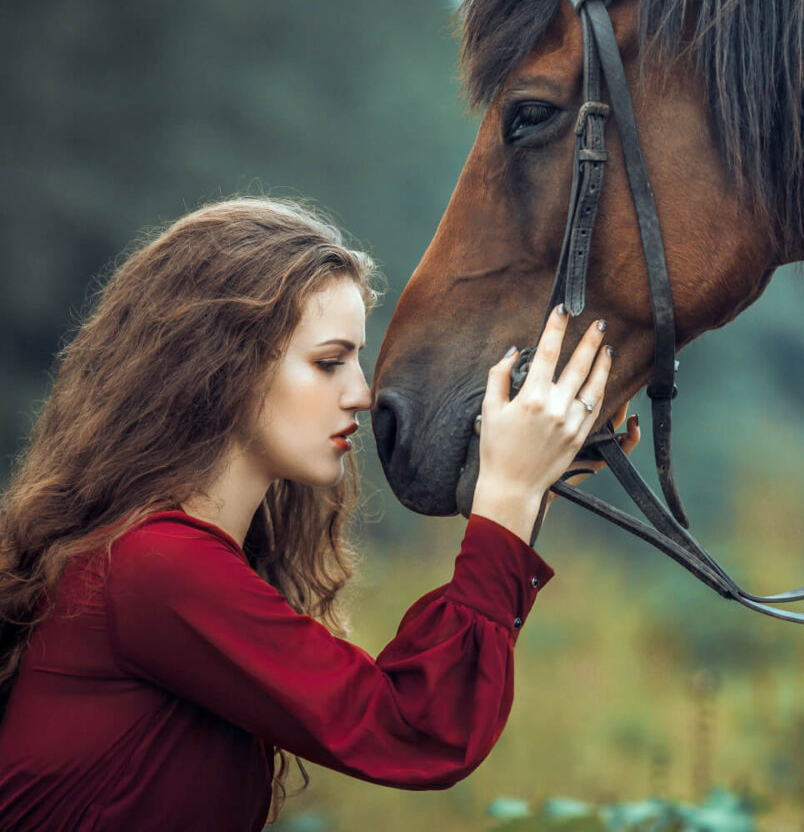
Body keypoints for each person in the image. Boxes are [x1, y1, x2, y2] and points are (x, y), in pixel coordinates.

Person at [0, 196, 638, 831]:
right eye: (329, 362)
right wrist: (505, 500)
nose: (360, 393)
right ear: (220, 366)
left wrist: (528, 492)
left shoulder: (161, 561)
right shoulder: (154, 566)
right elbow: (415, 728)